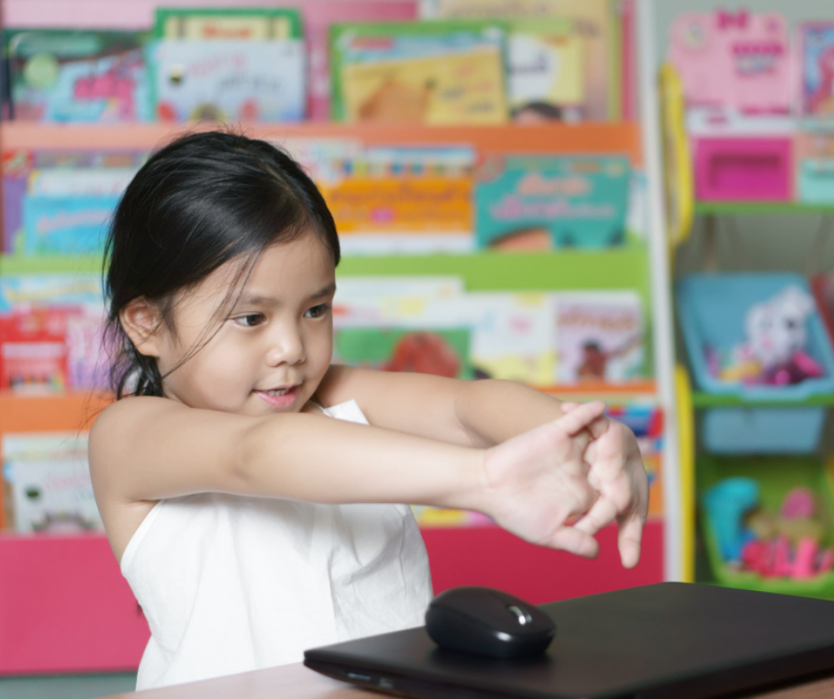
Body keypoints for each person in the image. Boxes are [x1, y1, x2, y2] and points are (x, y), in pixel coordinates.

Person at [89, 131, 648, 690]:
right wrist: (482, 479)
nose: (292, 348)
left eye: (315, 309)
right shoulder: (131, 434)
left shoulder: (336, 395)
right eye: (251, 319)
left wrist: (581, 435)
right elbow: (254, 455)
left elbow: (468, 405)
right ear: (147, 323)